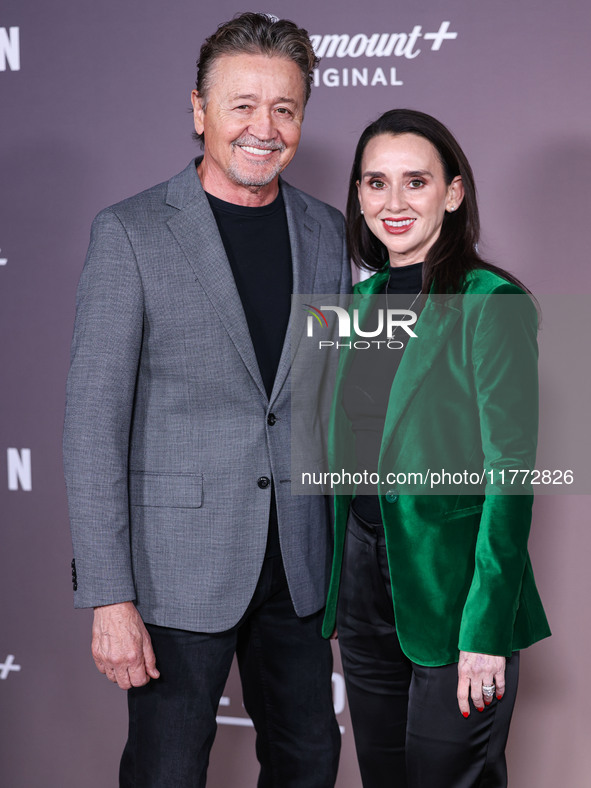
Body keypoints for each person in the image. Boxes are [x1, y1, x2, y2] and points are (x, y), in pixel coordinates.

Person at [63, 12, 350, 787]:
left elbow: (335, 397)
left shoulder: (327, 233)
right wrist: (109, 595)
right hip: (173, 571)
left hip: (298, 565)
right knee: (166, 769)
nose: (265, 127)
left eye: (284, 108)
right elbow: (92, 424)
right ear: (199, 111)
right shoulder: (130, 233)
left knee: (309, 762)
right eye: (242, 105)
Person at [321, 109, 551, 787]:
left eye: (414, 182)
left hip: (456, 591)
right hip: (363, 589)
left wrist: (484, 630)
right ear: (358, 195)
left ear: (452, 192)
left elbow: (510, 475)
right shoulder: (354, 304)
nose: (393, 203)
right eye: (375, 183)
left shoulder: (490, 301)